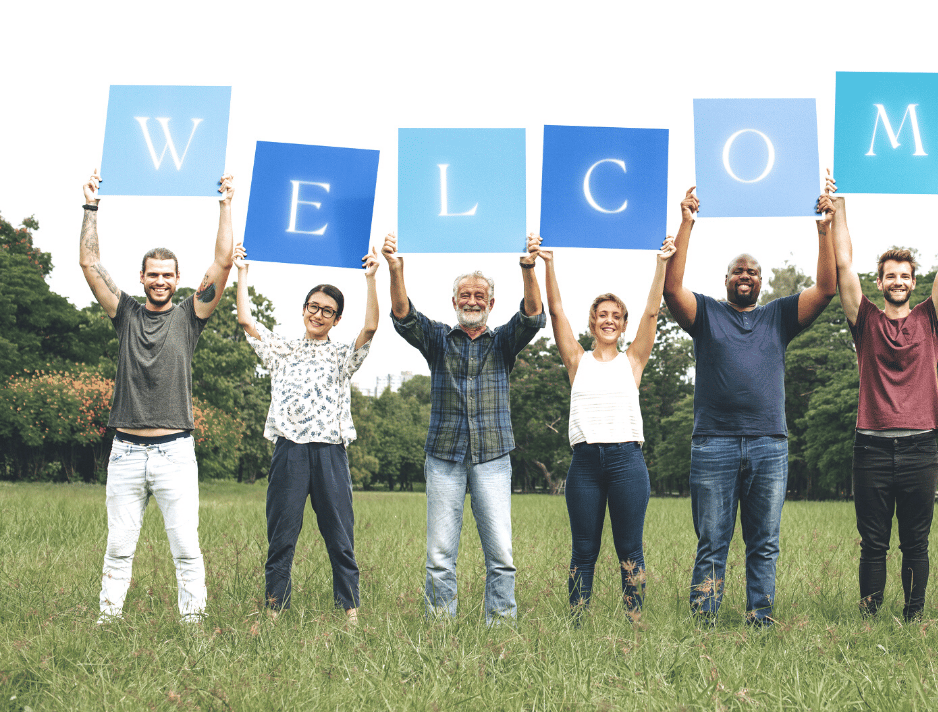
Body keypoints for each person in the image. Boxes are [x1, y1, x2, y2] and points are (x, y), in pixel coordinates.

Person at [663, 184, 837, 625]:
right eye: (738, 270)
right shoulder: (706, 314)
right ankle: (704, 618)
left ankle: (760, 617)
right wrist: (686, 223)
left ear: (761, 281)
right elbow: (672, 289)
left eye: (753, 272)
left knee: (764, 541)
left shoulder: (778, 316)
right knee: (713, 540)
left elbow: (827, 288)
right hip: (713, 445)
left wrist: (823, 230)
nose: (745, 275)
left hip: (768, 444)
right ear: (726, 280)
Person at [78, 167, 235, 623]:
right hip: (125, 451)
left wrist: (225, 203)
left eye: (168, 274)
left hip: (174, 452)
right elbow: (89, 265)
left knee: (186, 548)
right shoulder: (124, 312)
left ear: (178, 277)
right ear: (142, 277)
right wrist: (90, 205)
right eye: (153, 274)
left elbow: (222, 264)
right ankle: (108, 623)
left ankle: (193, 627)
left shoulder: (191, 316)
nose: (161, 281)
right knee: (118, 548)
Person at [383, 231, 544, 624]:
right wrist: (396, 268)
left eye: (479, 296)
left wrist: (528, 268)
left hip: (492, 457)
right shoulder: (438, 338)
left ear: (490, 304)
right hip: (444, 457)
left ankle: (501, 626)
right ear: (454, 302)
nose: (471, 302)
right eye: (465, 296)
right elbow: (404, 317)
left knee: (502, 555)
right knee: (440, 555)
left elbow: (532, 317)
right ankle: (440, 628)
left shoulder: (502, 342)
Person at [829, 174, 938, 621]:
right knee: (873, 543)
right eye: (891, 276)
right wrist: (840, 205)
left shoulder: (931, 318)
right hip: (870, 447)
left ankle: (913, 617)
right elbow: (843, 266)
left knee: (915, 542)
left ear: (913, 280)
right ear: (880, 281)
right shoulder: (864, 319)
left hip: (919, 449)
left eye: (905, 276)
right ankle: (869, 618)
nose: (899, 282)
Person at [234, 243, 380, 624]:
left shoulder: (341, 356)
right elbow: (247, 322)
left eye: (327, 311)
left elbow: (370, 327)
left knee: (340, 537)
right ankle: (273, 611)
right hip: (289, 452)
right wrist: (242, 272)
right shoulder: (281, 349)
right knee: (282, 535)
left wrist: (371, 278)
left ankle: (350, 612)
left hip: (330, 452)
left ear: (336, 319)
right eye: (313, 307)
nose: (318, 314)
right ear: (303, 310)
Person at [536, 236, 675, 616]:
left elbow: (651, 313)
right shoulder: (576, 361)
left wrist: (661, 263)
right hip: (585, 465)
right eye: (603, 315)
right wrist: (548, 262)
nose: (609, 320)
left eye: (616, 315)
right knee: (583, 550)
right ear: (593, 323)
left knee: (630, 549)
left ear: (623, 324)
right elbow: (557, 312)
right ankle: (578, 621)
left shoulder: (633, 361)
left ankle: (635, 621)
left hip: (627, 462)